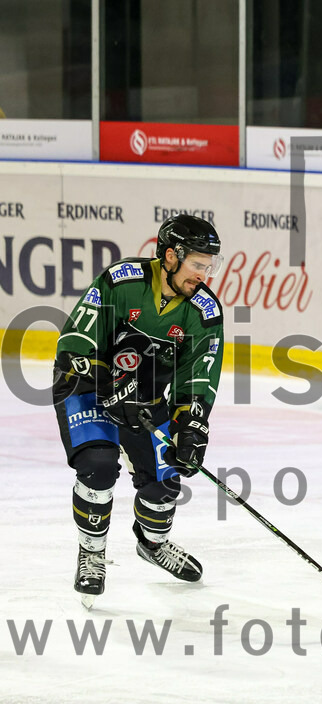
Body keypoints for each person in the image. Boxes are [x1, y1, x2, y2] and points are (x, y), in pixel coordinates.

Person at [53, 214, 225, 605]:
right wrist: (109, 387)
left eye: (209, 266)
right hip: (86, 386)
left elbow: (198, 377)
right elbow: (77, 341)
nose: (204, 274)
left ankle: (152, 544)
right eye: (198, 264)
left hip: (144, 398)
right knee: (99, 466)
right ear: (170, 256)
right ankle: (92, 553)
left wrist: (192, 428)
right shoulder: (121, 281)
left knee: (166, 480)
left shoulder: (203, 311)